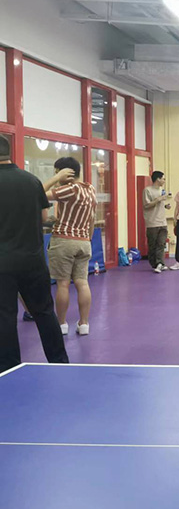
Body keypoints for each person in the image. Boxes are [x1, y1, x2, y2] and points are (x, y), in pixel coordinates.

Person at [0, 134, 69, 372]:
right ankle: (60, 363)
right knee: (44, 312)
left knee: (5, 317)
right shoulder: (31, 181)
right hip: (33, 261)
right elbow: (44, 217)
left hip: (2, 264)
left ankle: (9, 368)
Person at [42, 156, 98, 335]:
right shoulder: (90, 189)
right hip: (84, 241)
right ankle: (84, 324)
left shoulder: (69, 189)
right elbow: (92, 219)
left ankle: (61, 324)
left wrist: (56, 179)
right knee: (82, 283)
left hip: (64, 241)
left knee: (63, 284)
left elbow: (38, 193)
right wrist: (87, 239)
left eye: (58, 173)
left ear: (66, 173)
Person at [142, 171, 171, 273]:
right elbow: (146, 205)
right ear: (158, 179)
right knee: (153, 245)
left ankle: (160, 263)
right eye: (163, 179)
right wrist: (158, 199)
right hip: (152, 222)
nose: (164, 181)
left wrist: (165, 206)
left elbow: (160, 204)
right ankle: (154, 263)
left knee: (161, 244)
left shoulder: (162, 190)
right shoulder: (147, 190)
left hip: (162, 222)